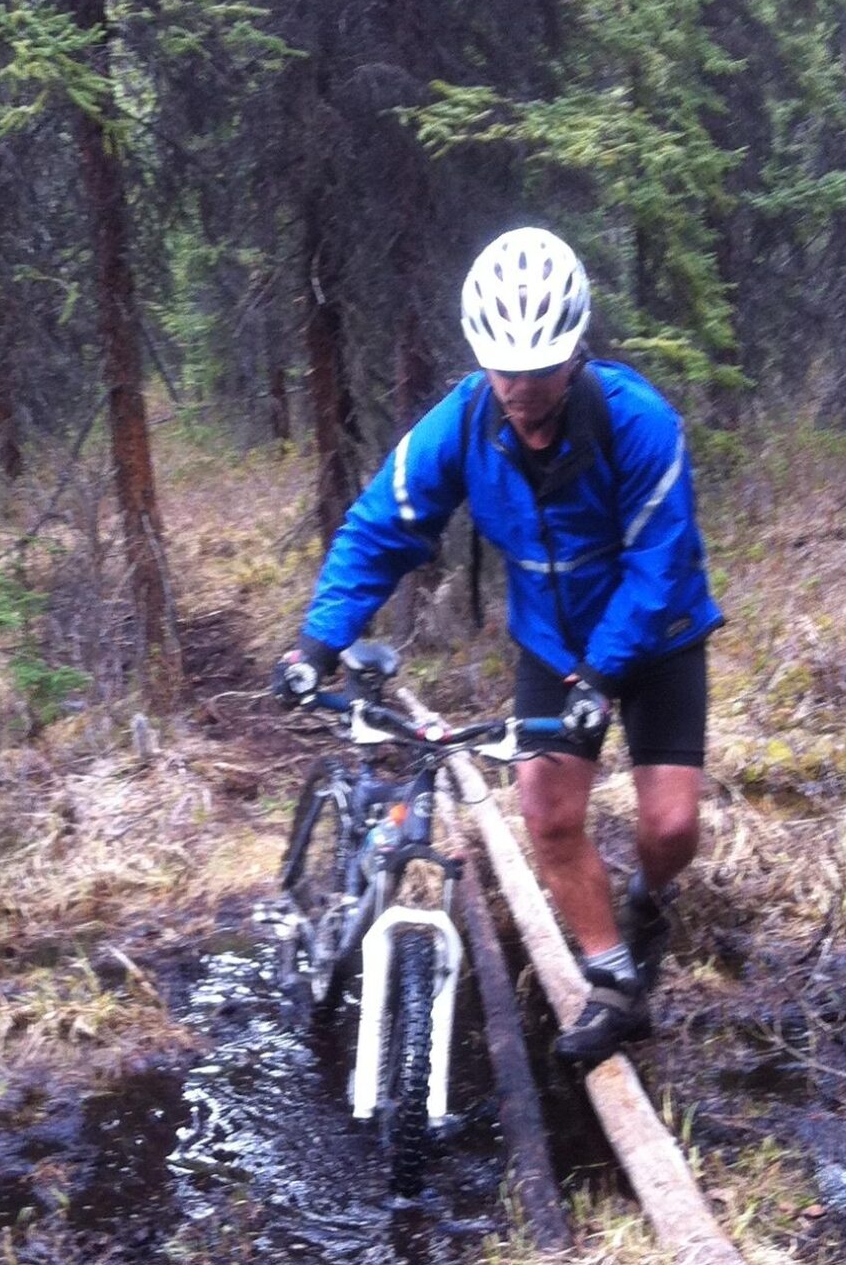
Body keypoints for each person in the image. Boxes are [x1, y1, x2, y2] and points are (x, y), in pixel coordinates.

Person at [271, 227, 721, 1064]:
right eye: (501, 367)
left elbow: (659, 564)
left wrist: (604, 676)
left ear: (575, 353)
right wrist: (317, 643)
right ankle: (614, 983)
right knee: (549, 818)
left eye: (538, 368)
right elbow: (381, 527)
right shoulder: (466, 422)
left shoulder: (639, 423)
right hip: (553, 644)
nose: (518, 387)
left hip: (657, 636)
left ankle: (650, 897)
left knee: (671, 826)